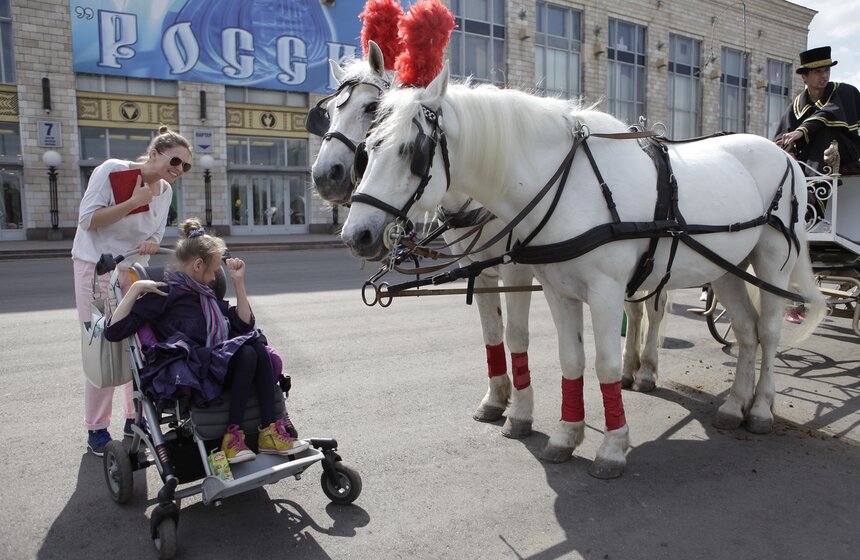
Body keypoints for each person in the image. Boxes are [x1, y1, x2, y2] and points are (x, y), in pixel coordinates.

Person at [104, 219, 305, 464]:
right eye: (213, 271)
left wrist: (238, 283)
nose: (214, 278)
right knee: (250, 351)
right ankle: (235, 438)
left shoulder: (208, 297)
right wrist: (134, 289)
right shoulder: (164, 294)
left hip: (216, 362)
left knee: (254, 346)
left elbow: (244, 324)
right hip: (191, 366)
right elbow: (113, 332)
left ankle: (267, 433)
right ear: (198, 265)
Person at [72, 126, 192, 456]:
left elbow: (155, 232)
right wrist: (135, 201)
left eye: (186, 166)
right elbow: (88, 221)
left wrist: (153, 242)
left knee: (137, 344)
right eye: (176, 161)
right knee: (102, 344)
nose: (179, 170)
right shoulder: (112, 170)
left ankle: (133, 416)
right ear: (154, 154)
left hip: (132, 271)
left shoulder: (165, 190)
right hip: (95, 266)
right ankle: (96, 428)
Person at [775, 46, 860, 176]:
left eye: (827, 70)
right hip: (810, 156)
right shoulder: (797, 105)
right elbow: (782, 136)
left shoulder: (845, 91)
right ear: (804, 77)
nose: (824, 76)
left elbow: (829, 112)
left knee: (825, 132)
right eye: (818, 71)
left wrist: (801, 131)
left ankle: (814, 189)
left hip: (845, 149)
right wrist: (789, 149)